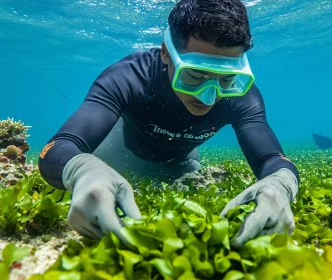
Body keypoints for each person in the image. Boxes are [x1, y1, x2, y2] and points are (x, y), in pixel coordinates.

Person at [38, 0, 299, 249]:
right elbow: (59, 146)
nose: (209, 96)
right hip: (119, 149)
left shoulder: (241, 96)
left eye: (227, 79)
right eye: (195, 75)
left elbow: (272, 160)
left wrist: (281, 183)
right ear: (166, 52)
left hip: (180, 161)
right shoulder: (129, 77)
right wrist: (82, 170)